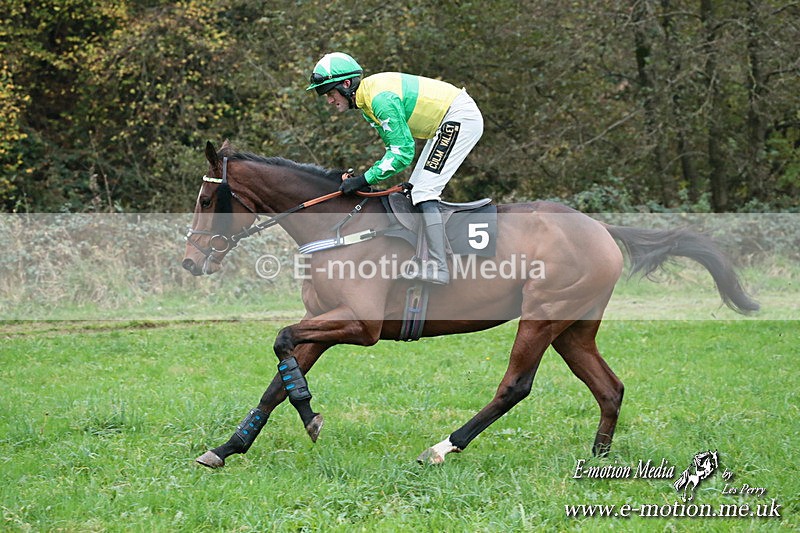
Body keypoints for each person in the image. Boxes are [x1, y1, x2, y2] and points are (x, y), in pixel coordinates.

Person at [307, 52, 484, 285]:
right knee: (414, 190)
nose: (329, 100)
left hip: (459, 118)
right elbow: (395, 149)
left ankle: (440, 267)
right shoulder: (367, 102)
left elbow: (402, 153)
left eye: (330, 93)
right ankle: (425, 258)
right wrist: (366, 177)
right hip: (446, 121)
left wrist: (364, 179)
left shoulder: (380, 100)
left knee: (424, 192)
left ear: (346, 84)